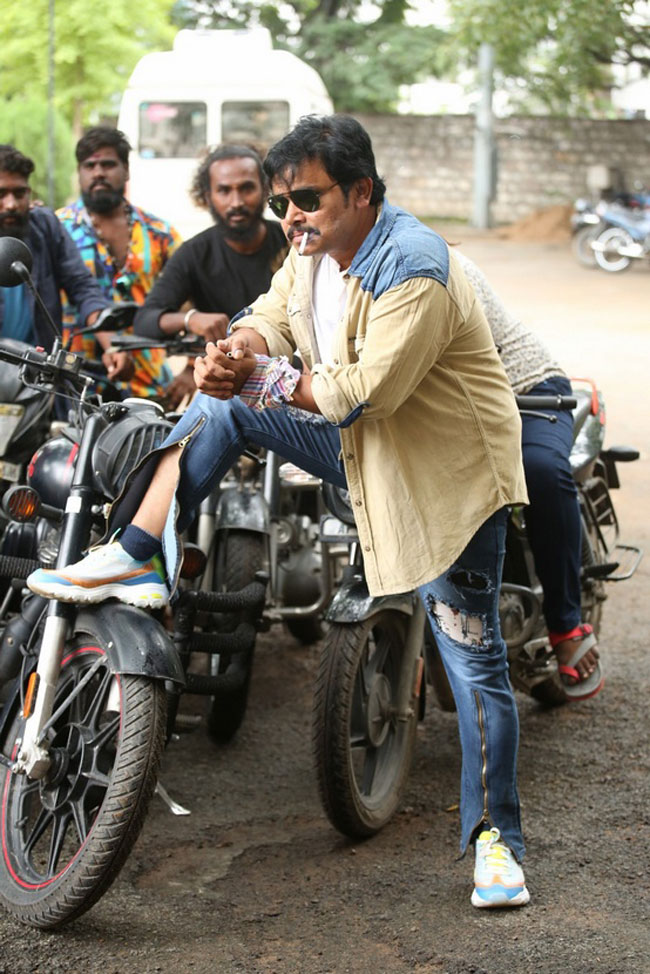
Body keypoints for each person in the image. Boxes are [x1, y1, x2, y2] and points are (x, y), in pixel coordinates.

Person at [29, 115, 531, 909]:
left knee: (473, 664)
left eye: (307, 198)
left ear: (361, 192)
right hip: (364, 453)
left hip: (444, 483)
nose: (290, 215)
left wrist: (254, 376)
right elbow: (271, 314)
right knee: (220, 406)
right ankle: (137, 551)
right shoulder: (310, 251)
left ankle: (498, 843)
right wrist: (236, 353)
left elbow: (361, 394)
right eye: (282, 201)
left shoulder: (414, 266)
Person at [455, 252, 602, 699]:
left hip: (523, 388)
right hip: (448, 407)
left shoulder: (437, 265)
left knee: (539, 471)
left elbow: (473, 364)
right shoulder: (320, 277)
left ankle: (566, 626)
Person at [133, 144, 288, 408]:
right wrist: (191, 320)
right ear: (207, 196)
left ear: (265, 190)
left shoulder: (291, 244)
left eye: (247, 188)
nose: (236, 202)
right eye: (224, 191)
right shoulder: (193, 254)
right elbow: (144, 321)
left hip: (290, 381)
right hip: (227, 388)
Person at [57, 126, 182, 400]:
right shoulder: (57, 229)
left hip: (147, 384)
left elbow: (194, 296)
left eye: (108, 164)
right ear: (79, 173)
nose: (98, 173)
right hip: (74, 386)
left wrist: (192, 368)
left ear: (126, 171)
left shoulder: (159, 233)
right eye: (89, 166)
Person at [0, 144, 113, 357]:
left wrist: (112, 347)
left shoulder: (45, 226)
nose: (11, 204)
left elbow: (81, 285)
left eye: (19, 193)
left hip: (37, 367)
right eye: (1, 194)